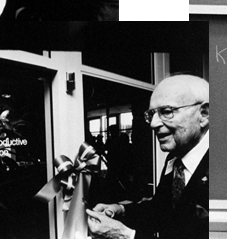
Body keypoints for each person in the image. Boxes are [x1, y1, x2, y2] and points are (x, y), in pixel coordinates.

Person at [87, 75, 209, 239]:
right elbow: (160, 209)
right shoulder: (175, 158)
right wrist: (120, 210)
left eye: (166, 112)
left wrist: (125, 235)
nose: (153, 123)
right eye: (151, 114)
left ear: (204, 114)